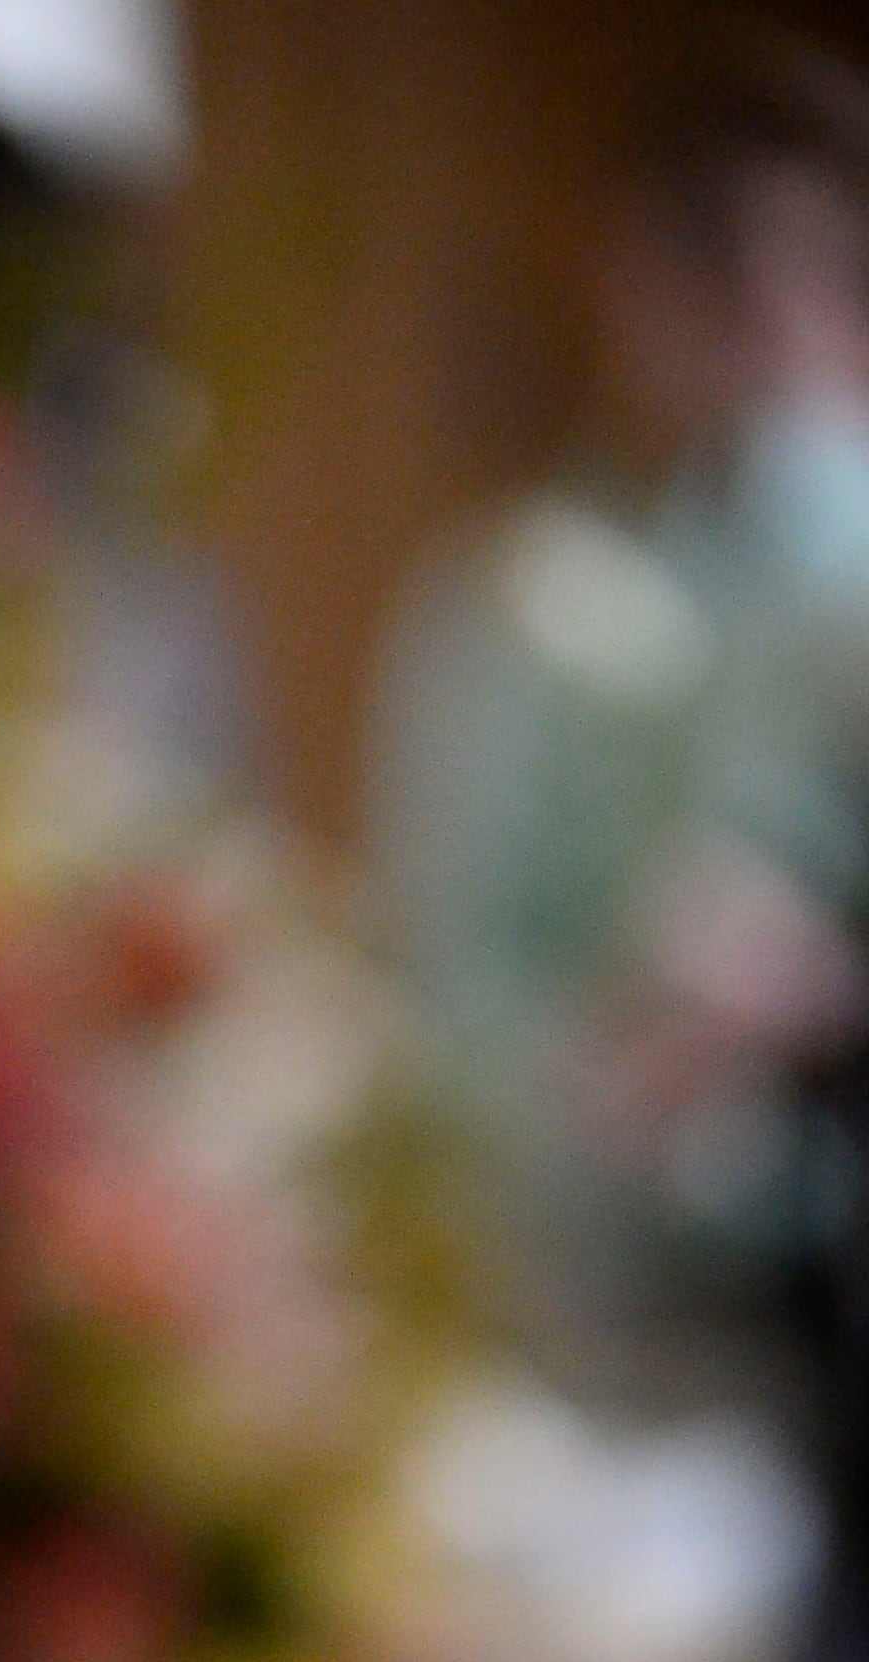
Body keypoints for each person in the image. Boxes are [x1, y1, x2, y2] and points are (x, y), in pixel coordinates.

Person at [374, 44, 869, 1417]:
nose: (757, 328)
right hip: (635, 1320)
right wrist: (617, 1073)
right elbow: (450, 996)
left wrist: (823, 995)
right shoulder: (521, 611)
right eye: (705, 270)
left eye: (807, 274)